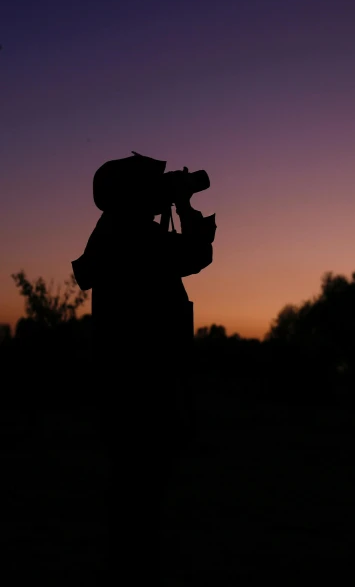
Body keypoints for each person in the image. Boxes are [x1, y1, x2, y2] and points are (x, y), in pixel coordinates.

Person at [71, 153, 216, 583]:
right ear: (132, 196)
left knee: (130, 487)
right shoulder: (134, 237)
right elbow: (197, 254)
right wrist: (185, 206)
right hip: (144, 384)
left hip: (125, 381)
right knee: (141, 491)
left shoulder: (113, 232)